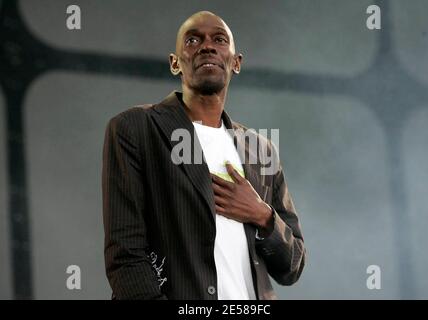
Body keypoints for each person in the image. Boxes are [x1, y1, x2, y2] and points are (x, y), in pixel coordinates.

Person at [102, 11, 305, 300]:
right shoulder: (135, 128)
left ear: (236, 62)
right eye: (193, 39)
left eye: (219, 39)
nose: (207, 46)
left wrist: (262, 214)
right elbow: (125, 255)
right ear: (175, 63)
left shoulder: (261, 149)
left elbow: (292, 266)